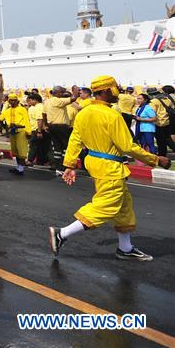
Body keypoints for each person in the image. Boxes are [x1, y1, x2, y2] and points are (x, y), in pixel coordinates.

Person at [49, 75, 170, 261]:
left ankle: (125, 247)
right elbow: (127, 146)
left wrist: (69, 165)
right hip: (109, 166)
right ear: (106, 91)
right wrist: (155, 159)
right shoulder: (112, 115)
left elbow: (75, 140)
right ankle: (62, 233)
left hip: (97, 162)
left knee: (124, 205)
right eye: (115, 88)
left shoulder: (84, 113)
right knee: (106, 205)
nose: (118, 91)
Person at [44, 86, 76, 174]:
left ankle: (58, 168)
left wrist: (46, 125)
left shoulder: (47, 101)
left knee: (57, 148)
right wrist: (75, 90)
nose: (63, 94)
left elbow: (44, 114)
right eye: (61, 92)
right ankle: (64, 167)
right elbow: (73, 98)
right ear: (57, 93)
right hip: (61, 127)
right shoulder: (58, 100)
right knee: (66, 147)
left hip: (52, 126)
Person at [0, 93, 29, 175]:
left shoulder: (22, 109)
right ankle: (18, 168)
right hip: (12, 131)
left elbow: (26, 120)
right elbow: (0, 118)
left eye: (14, 100)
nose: (12, 102)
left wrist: (28, 132)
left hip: (21, 131)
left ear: (17, 101)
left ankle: (21, 169)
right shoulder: (7, 111)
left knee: (21, 151)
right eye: (10, 100)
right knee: (15, 150)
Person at [149, 87, 174, 158]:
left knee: (160, 140)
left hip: (159, 122)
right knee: (168, 139)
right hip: (167, 121)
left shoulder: (153, 101)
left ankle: (162, 154)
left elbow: (152, 112)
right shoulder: (167, 99)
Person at [26, 94, 49, 166]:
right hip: (37, 129)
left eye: (30, 100)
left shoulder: (39, 107)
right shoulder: (36, 107)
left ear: (35, 100)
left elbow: (40, 119)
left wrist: (39, 131)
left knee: (33, 145)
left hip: (38, 129)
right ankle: (42, 161)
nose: (29, 102)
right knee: (41, 146)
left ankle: (30, 160)